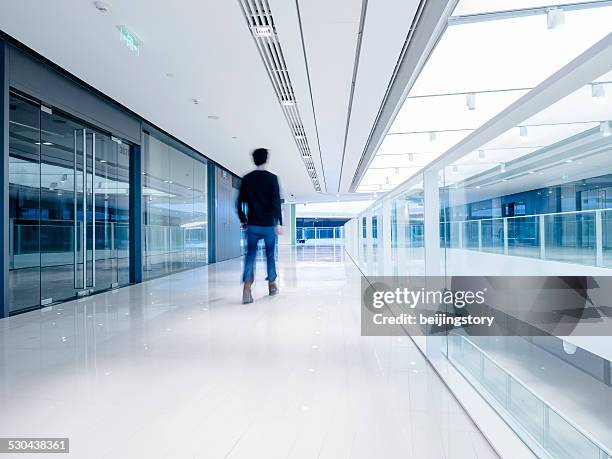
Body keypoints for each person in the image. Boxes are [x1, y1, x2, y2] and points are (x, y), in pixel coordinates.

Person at [237, 148, 284, 304]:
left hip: (252, 225)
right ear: (266, 160)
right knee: (270, 256)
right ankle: (272, 285)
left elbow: (238, 203)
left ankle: (247, 288)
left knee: (250, 256)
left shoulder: (247, 178)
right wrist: (279, 223)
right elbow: (276, 202)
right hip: (268, 225)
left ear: (254, 160)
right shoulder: (272, 178)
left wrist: (243, 219)